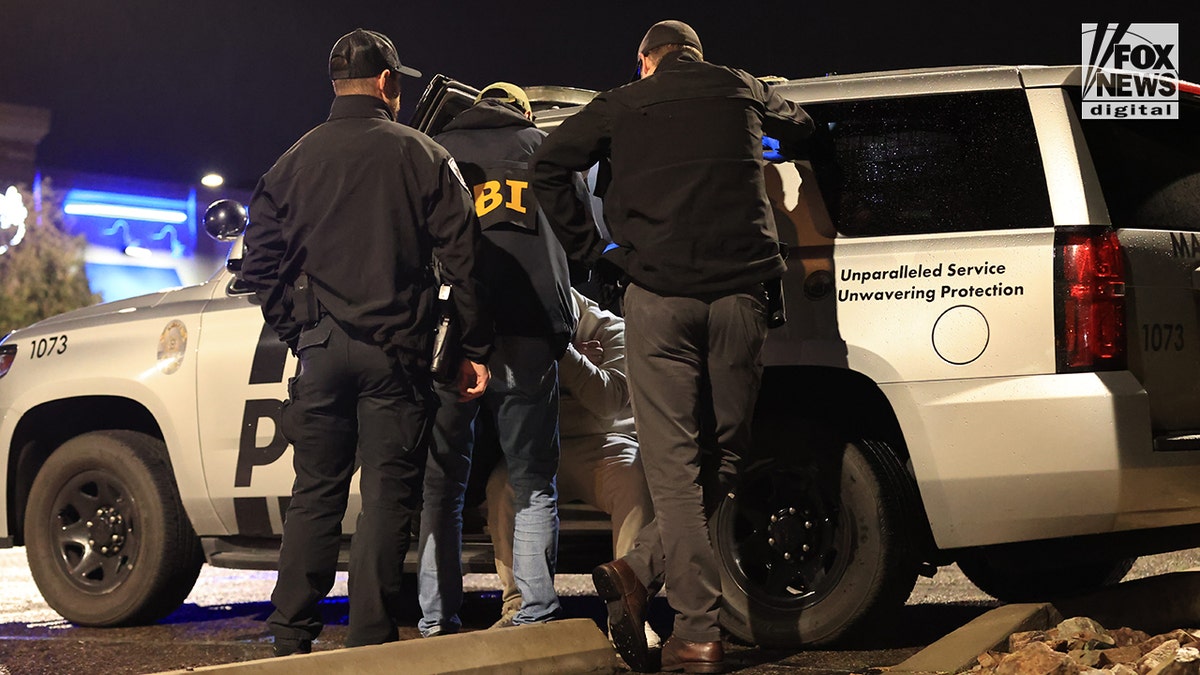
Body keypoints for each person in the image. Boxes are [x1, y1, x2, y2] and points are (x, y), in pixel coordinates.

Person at [531, 19, 814, 674]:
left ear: (644, 62)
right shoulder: (739, 88)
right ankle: (644, 581)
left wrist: (593, 251)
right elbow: (802, 126)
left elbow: (548, 164)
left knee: (678, 468)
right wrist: (763, 113)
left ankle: (686, 623)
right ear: (698, 56)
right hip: (741, 299)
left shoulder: (623, 103)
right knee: (724, 453)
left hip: (658, 301)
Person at [241, 28, 491, 655]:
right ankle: (370, 640)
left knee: (316, 491)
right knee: (385, 498)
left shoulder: (291, 162)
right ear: (387, 84)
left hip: (322, 349)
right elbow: (465, 262)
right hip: (396, 356)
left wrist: (301, 331)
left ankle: (291, 633)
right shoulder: (423, 156)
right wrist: (471, 347)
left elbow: (257, 267)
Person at [416, 82, 587, 636]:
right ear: (525, 113)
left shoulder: (435, 151)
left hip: (453, 337)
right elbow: (584, 236)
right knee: (532, 479)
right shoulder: (549, 149)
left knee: (441, 484)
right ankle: (535, 611)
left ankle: (436, 619)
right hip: (531, 332)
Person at [485, 288, 656, 646]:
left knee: (632, 478)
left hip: (606, 442)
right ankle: (517, 604)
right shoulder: (521, 331)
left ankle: (628, 611)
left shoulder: (614, 330)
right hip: (545, 443)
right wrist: (581, 366)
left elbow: (607, 401)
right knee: (503, 485)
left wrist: (561, 354)